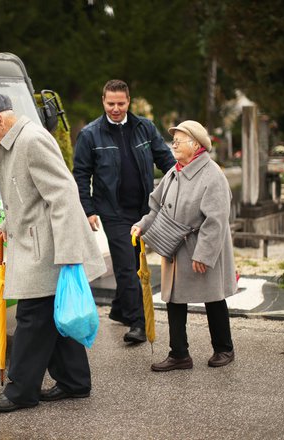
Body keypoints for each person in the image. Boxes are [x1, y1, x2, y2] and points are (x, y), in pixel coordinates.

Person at [0, 94, 106, 412]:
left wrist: (70, 253)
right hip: (37, 243)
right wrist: (7, 222)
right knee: (53, 317)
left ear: (0, 119)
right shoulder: (10, 143)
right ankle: (75, 382)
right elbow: (27, 195)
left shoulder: (31, 140)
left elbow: (63, 193)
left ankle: (20, 392)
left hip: (48, 249)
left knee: (31, 318)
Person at [73, 79, 175, 344]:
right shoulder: (90, 134)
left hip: (143, 209)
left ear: (129, 101)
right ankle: (138, 323)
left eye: (120, 103)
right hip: (112, 211)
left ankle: (119, 309)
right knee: (128, 267)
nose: (115, 108)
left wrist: (184, 179)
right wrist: (88, 209)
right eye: (110, 104)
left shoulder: (145, 127)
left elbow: (165, 159)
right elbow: (81, 174)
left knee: (133, 259)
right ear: (103, 102)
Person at [131, 120, 237, 371]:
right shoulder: (174, 171)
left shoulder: (213, 174)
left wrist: (204, 254)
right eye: (174, 140)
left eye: (179, 140)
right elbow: (156, 207)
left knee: (213, 297)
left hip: (201, 246)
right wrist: (142, 225)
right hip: (175, 247)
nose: (174, 145)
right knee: (174, 299)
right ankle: (179, 354)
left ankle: (224, 348)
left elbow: (216, 220)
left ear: (197, 145)